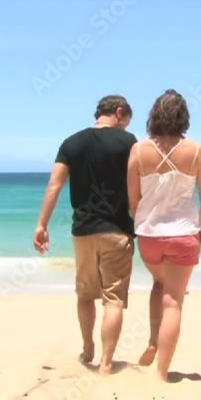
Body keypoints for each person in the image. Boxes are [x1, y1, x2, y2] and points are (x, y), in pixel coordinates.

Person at [33, 95, 137, 375]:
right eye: (126, 121)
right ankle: (106, 363)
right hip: (117, 230)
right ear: (118, 112)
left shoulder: (71, 143)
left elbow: (54, 185)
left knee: (85, 294)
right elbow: (140, 185)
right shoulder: (129, 143)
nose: (126, 127)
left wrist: (42, 224)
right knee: (113, 299)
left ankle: (88, 347)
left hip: (82, 232)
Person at [127, 89, 201, 382]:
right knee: (173, 301)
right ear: (183, 117)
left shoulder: (138, 150)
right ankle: (162, 373)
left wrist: (144, 220)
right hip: (183, 234)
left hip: (149, 236)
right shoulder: (197, 151)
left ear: (154, 115)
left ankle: (153, 340)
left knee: (159, 284)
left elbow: (133, 199)